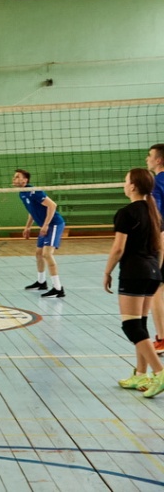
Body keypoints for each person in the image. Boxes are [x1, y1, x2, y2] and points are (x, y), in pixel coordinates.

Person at [103, 168, 164, 397]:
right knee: (140, 324)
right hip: (153, 272)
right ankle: (140, 373)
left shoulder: (126, 213)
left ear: (133, 186)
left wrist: (107, 271)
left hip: (134, 273)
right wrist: (155, 270)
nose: (124, 183)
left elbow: (118, 248)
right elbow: (161, 247)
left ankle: (160, 372)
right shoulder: (154, 213)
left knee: (130, 326)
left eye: (126, 180)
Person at [13, 169, 66, 298]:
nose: (14, 179)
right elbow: (32, 211)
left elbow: (52, 205)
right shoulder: (22, 193)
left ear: (25, 180)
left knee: (47, 254)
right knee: (38, 253)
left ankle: (58, 289)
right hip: (45, 225)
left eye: (17, 177)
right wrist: (27, 227)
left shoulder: (34, 191)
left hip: (54, 224)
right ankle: (41, 282)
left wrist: (46, 224)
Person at [146, 143, 164, 355]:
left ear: (158, 160)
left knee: (156, 288)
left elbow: (156, 216)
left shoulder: (156, 183)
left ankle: (161, 338)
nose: (147, 159)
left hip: (161, 237)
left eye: (149, 156)